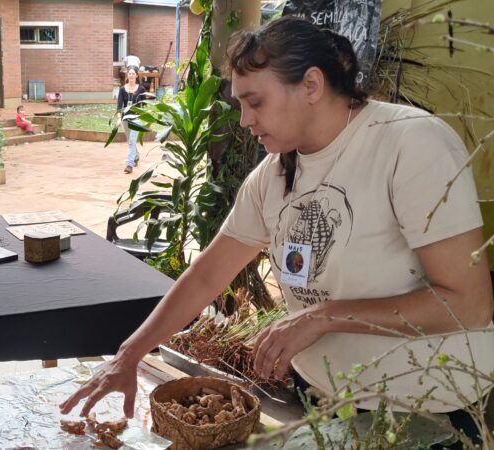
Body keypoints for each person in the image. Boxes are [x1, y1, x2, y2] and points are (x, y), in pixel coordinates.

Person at [62, 16, 494, 447]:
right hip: (325, 398)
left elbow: (468, 304)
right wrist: (129, 355)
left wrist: (322, 316)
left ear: (311, 85)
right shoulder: (274, 172)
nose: (246, 119)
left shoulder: (408, 143)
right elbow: (209, 275)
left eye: (256, 102)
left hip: (426, 409)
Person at [116, 66, 146, 174]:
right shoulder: (122, 90)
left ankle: (129, 164)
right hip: (126, 119)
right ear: (127, 75)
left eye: (133, 73)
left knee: (132, 141)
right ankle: (136, 156)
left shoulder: (141, 89)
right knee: (130, 141)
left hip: (137, 119)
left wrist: (145, 118)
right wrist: (119, 119)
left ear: (137, 75)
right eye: (130, 73)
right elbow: (119, 106)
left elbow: (144, 106)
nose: (131, 75)